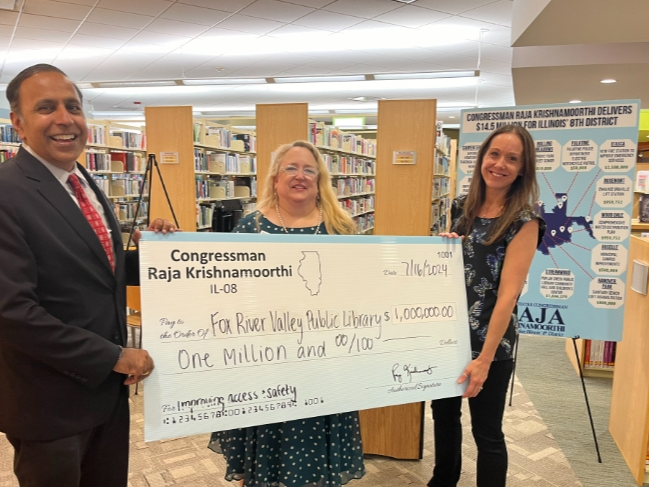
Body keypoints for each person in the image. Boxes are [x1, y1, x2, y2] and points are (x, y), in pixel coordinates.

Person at [0, 63, 176, 487]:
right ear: (18, 125)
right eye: (46, 108)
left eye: (72, 107)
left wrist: (164, 255)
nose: (64, 119)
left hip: (105, 396)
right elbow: (12, 311)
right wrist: (114, 356)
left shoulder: (82, 180)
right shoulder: (7, 191)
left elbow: (96, 271)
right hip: (49, 404)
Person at [209, 140, 364, 487]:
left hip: (323, 363)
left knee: (314, 467)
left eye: (309, 169)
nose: (300, 176)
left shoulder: (341, 228)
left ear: (320, 179)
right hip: (265, 364)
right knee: (261, 465)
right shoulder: (249, 228)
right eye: (291, 168)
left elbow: (359, 291)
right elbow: (225, 293)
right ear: (275, 179)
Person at [427, 124, 546, 487]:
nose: (500, 164)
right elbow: (454, 271)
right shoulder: (462, 205)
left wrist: (484, 359)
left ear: (523, 169)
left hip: (491, 343)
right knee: (444, 418)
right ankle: (442, 481)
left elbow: (508, 295)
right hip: (448, 335)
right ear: (482, 158)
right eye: (494, 154)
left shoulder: (525, 220)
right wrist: (445, 247)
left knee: (487, 432)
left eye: (512, 159)